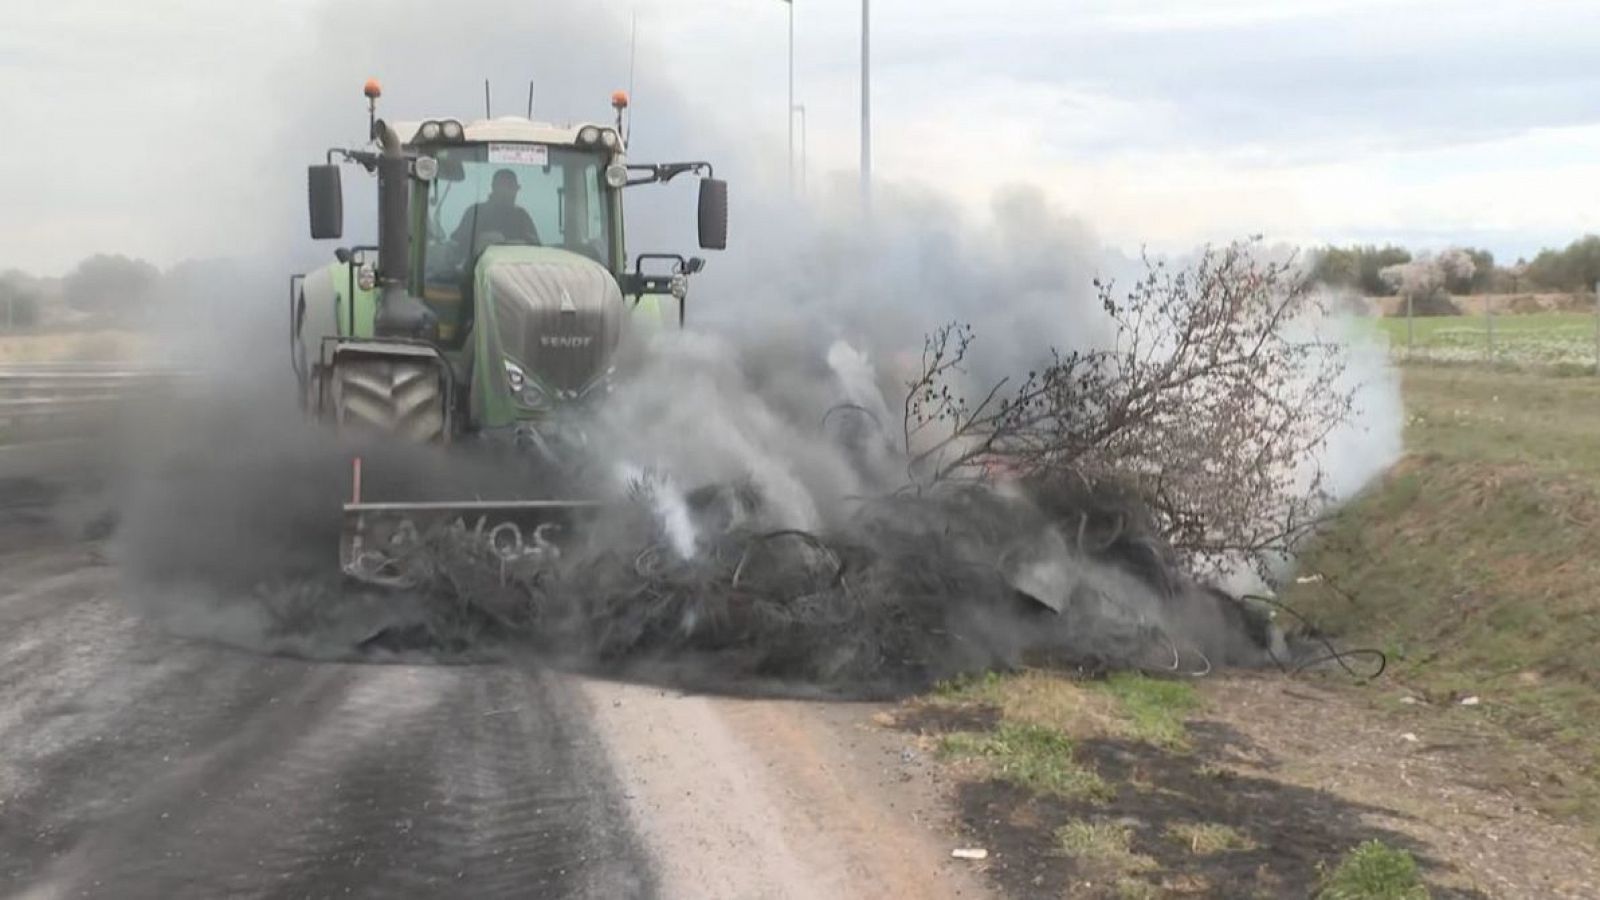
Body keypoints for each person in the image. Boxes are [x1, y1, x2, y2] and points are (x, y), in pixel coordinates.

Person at [452, 168, 540, 249]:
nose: (509, 192)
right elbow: (458, 246)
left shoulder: (522, 216)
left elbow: (536, 247)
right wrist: (482, 241)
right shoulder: (476, 213)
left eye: (512, 188)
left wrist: (519, 244)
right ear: (494, 187)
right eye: (505, 187)